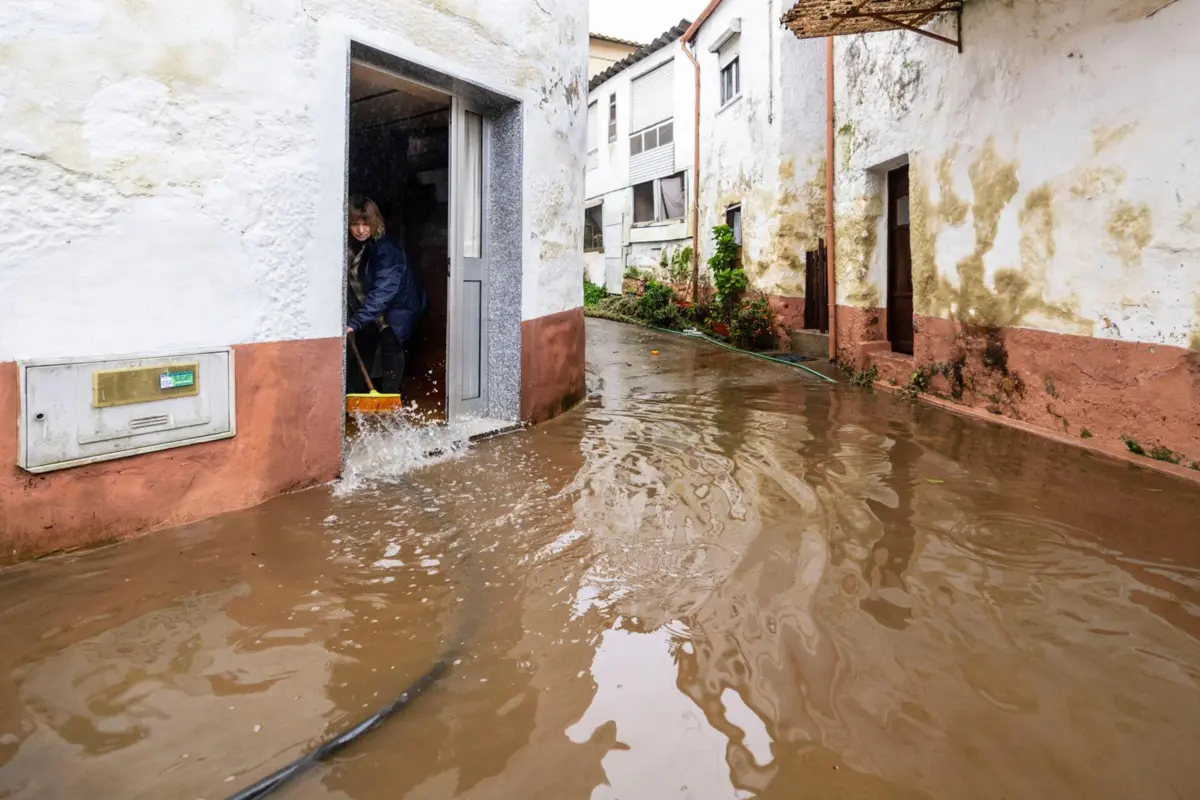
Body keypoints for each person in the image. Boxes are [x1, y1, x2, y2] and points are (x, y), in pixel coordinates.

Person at [345, 195, 427, 394]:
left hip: (398, 305)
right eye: (355, 224)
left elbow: (383, 291)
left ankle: (390, 399)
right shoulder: (356, 245)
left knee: (391, 344)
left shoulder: (386, 248)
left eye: (366, 224)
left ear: (374, 222)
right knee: (365, 344)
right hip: (371, 306)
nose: (361, 230)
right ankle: (355, 398)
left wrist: (355, 322)